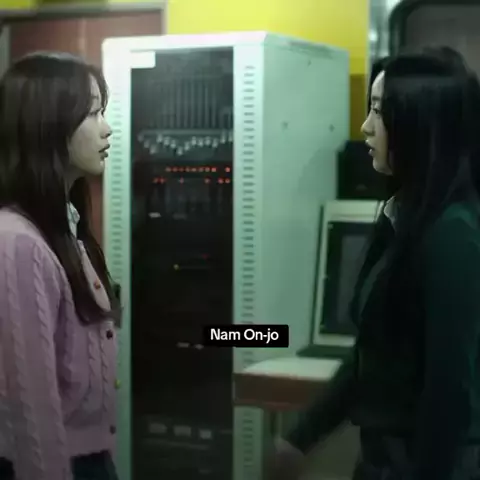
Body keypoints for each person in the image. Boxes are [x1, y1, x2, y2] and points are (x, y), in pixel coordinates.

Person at [267, 46, 480, 480]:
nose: (365, 127)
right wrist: (300, 437)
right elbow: (373, 355)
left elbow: (450, 394)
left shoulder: (453, 234)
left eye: (379, 112)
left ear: (420, 124)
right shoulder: (403, 215)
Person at [0, 52, 119, 480]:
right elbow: (31, 411)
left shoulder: (65, 227)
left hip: (88, 460)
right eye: (92, 113)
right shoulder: (18, 242)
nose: (106, 128)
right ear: (47, 126)